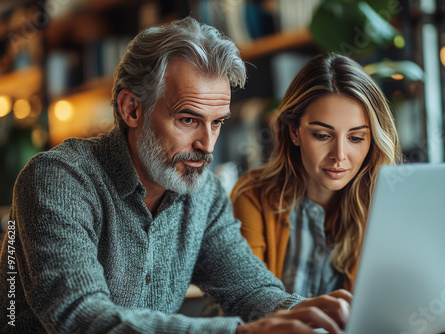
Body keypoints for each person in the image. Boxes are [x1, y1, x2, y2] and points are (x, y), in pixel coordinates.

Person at [0, 17, 352, 333]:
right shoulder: (58, 179)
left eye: (217, 122)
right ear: (132, 109)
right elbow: (82, 317)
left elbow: (253, 291)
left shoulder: (205, 194)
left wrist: (312, 315)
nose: (207, 145)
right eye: (188, 120)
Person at [231, 53, 402, 298]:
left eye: (355, 138)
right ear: (294, 132)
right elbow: (248, 302)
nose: (340, 155)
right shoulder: (254, 198)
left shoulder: (383, 204)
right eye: (322, 135)